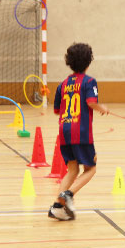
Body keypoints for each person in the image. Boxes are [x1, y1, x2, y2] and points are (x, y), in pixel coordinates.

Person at [48, 42, 109, 221]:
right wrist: (101, 107)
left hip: (64, 131)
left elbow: (57, 110)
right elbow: (91, 101)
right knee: (91, 169)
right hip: (81, 132)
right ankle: (69, 194)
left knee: (72, 169)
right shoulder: (89, 81)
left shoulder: (63, 84)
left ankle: (58, 207)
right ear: (89, 62)